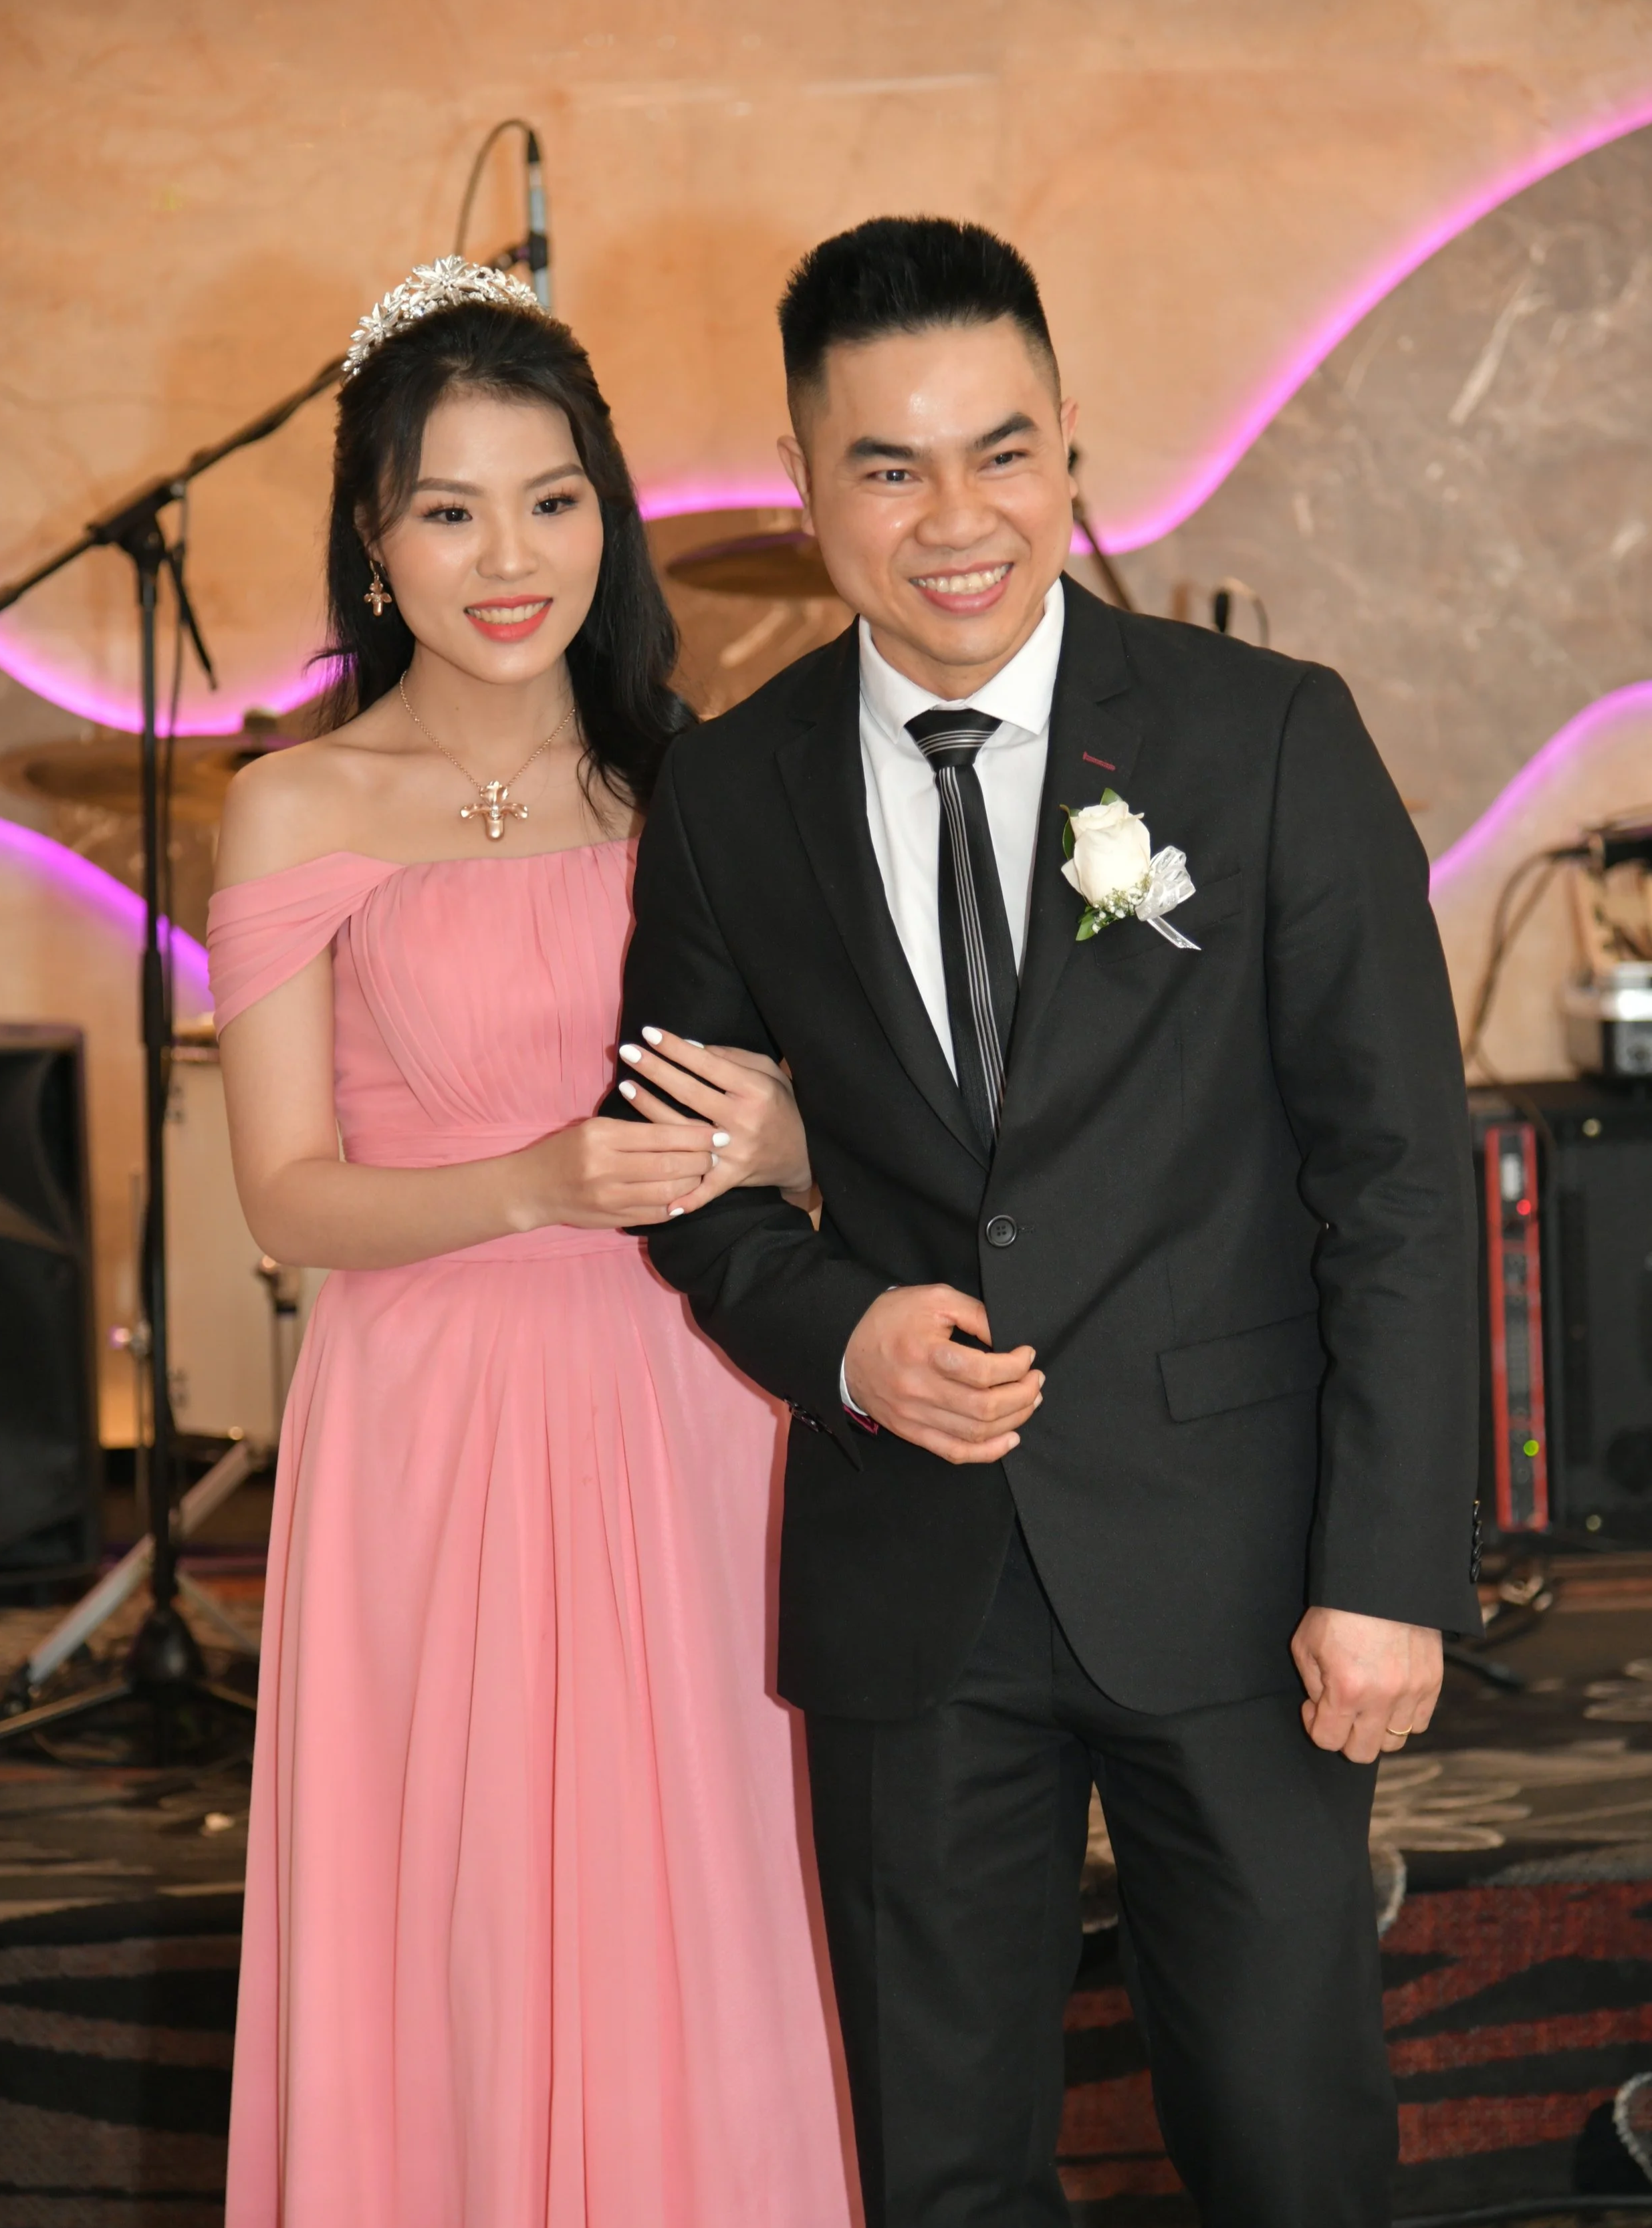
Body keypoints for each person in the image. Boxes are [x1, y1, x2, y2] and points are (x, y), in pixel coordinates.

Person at [610, 217, 1482, 2228]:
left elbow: (1396, 1177)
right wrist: (839, 1330)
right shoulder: (727, 799)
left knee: (1288, 2152)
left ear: (1072, 440)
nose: (952, 522)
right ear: (803, 476)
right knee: (946, 2174)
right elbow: (681, 1174)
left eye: (1000, 452)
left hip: (1245, 1574)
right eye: (887, 467)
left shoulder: (1264, 737)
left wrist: (1388, 1570)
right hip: (914, 1589)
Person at [211, 259, 852, 2228]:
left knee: (704, 1878)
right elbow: (282, 1191)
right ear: (372, 539)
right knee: (464, 1905)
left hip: (691, 1398)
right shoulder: (292, 804)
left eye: (552, 497)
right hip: (430, 1414)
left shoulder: (709, 778)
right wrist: (534, 1188)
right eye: (450, 506)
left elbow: (855, 1105)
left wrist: (791, 1131)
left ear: (609, 513)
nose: (512, 556)